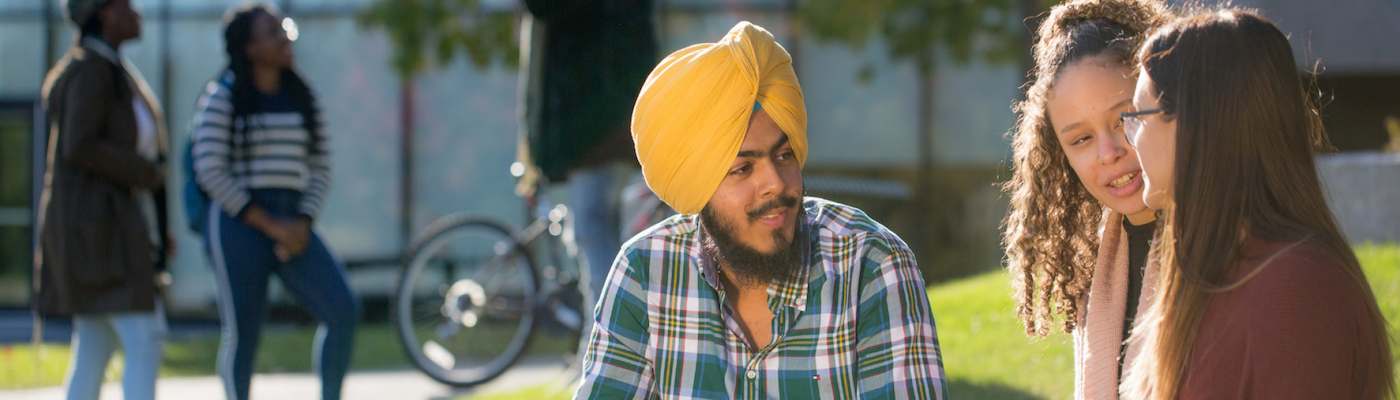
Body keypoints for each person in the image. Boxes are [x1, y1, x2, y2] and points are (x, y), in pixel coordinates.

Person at [575, 21, 947, 399]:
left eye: (784, 155)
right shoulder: (646, 269)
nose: (777, 182)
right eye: (742, 168)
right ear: (697, 188)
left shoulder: (871, 265)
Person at [1120, 8, 1394, 399]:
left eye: (1138, 117)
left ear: (1202, 122)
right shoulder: (1216, 273)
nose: (1131, 141)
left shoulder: (1296, 288)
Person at [1002, 0, 1171, 398]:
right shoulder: (1097, 270)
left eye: (1126, 119)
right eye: (1081, 139)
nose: (1108, 152)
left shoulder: (1224, 247)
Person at [191, 3, 360, 400]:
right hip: (240, 223)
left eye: (285, 28)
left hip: (295, 218)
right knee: (244, 330)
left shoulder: (303, 96)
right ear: (249, 48)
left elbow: (320, 165)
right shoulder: (224, 97)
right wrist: (268, 224)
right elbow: (210, 170)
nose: (285, 37)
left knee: (342, 310)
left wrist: (301, 221)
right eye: (272, 32)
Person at [36, 0, 173, 399]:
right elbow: (79, 145)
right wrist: (145, 173)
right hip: (99, 234)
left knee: (95, 345)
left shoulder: (108, 68)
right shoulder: (92, 71)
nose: (138, 13)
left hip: (106, 228)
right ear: (106, 14)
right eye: (127, 6)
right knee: (147, 340)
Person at [517, 0, 659, 333]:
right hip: (625, 109)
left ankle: (611, 348)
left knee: (593, 229)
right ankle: (602, 351)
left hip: (593, 115)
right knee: (605, 229)